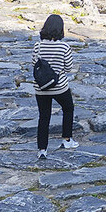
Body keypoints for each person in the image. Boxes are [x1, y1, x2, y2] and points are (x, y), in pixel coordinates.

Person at [33, 14, 78, 159]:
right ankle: (67, 139)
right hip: (59, 86)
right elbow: (69, 67)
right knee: (68, 108)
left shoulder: (38, 46)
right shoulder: (64, 47)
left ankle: (42, 150)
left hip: (41, 87)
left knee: (44, 117)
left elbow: (35, 64)